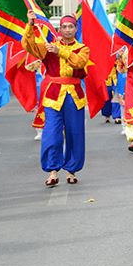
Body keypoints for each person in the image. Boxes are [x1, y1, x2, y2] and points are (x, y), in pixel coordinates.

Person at [22, 10, 90, 187]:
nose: (67, 30)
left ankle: (71, 170)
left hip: (74, 96)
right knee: (51, 133)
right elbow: (29, 46)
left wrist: (60, 52)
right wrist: (30, 24)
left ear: (76, 29)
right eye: (64, 27)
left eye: (71, 27)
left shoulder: (82, 48)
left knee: (75, 133)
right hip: (53, 95)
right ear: (59, 29)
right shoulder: (48, 46)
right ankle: (52, 170)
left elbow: (79, 63)